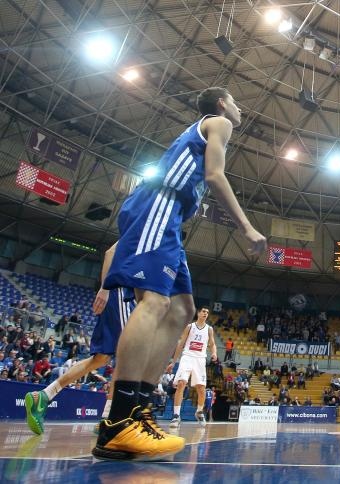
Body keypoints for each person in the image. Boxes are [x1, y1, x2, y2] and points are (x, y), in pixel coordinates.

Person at [93, 87, 267, 461]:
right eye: (236, 100)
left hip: (169, 215)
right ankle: (118, 421)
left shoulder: (204, 129)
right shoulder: (219, 123)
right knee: (155, 303)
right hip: (160, 203)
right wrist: (247, 227)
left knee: (183, 310)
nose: (240, 106)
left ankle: (140, 411)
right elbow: (215, 175)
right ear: (222, 104)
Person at [24, 243, 135, 435]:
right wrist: (105, 288)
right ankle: (107, 419)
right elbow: (111, 251)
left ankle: (44, 395)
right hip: (121, 294)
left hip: (124, 296)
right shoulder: (146, 221)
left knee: (101, 359)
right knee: (127, 359)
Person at [166, 307, 217, 427]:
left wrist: (214, 353)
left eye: (207, 312)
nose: (206, 314)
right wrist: (173, 362)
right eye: (204, 311)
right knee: (181, 384)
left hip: (200, 359)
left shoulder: (209, 329)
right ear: (198, 313)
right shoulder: (190, 327)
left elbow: (212, 344)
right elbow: (181, 344)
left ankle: (199, 412)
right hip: (187, 357)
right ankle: (176, 416)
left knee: (201, 389)